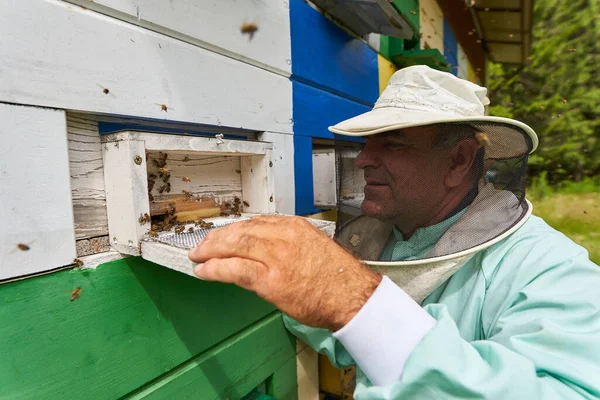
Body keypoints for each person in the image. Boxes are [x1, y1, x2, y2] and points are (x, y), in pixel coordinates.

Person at [188, 66, 600, 399]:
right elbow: (349, 342)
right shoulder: (385, 233)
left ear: (458, 161)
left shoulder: (549, 269)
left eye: (394, 144)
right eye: (367, 144)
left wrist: (352, 299)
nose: (365, 159)